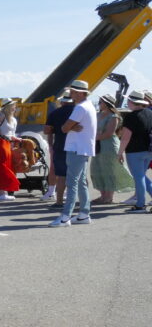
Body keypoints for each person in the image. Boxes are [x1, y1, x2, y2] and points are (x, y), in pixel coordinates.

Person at [50, 80, 97, 227]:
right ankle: (84, 213)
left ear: (79, 93)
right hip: (83, 148)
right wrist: (71, 127)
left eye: (73, 91)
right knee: (80, 182)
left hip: (76, 148)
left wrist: (70, 127)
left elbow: (64, 128)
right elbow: (68, 127)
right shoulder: (88, 106)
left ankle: (65, 217)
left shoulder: (80, 108)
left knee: (72, 182)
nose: (71, 94)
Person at [90, 95, 132, 204]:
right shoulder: (97, 114)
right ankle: (103, 195)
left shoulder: (114, 117)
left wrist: (91, 138)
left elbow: (108, 133)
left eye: (101, 102)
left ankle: (108, 197)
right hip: (98, 145)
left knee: (109, 170)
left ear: (108, 104)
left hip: (109, 146)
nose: (99, 103)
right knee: (97, 169)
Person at [117, 89, 152, 213]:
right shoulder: (149, 113)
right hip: (148, 150)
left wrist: (120, 152)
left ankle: (140, 205)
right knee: (142, 177)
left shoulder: (131, 117)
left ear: (132, 102)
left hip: (134, 151)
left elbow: (125, 137)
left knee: (139, 177)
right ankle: (142, 203)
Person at [41, 94, 74, 205]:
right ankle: (72, 197)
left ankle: (58, 199)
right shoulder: (78, 111)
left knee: (60, 174)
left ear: (62, 102)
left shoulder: (55, 113)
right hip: (76, 146)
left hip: (60, 145)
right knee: (77, 173)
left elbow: (46, 130)